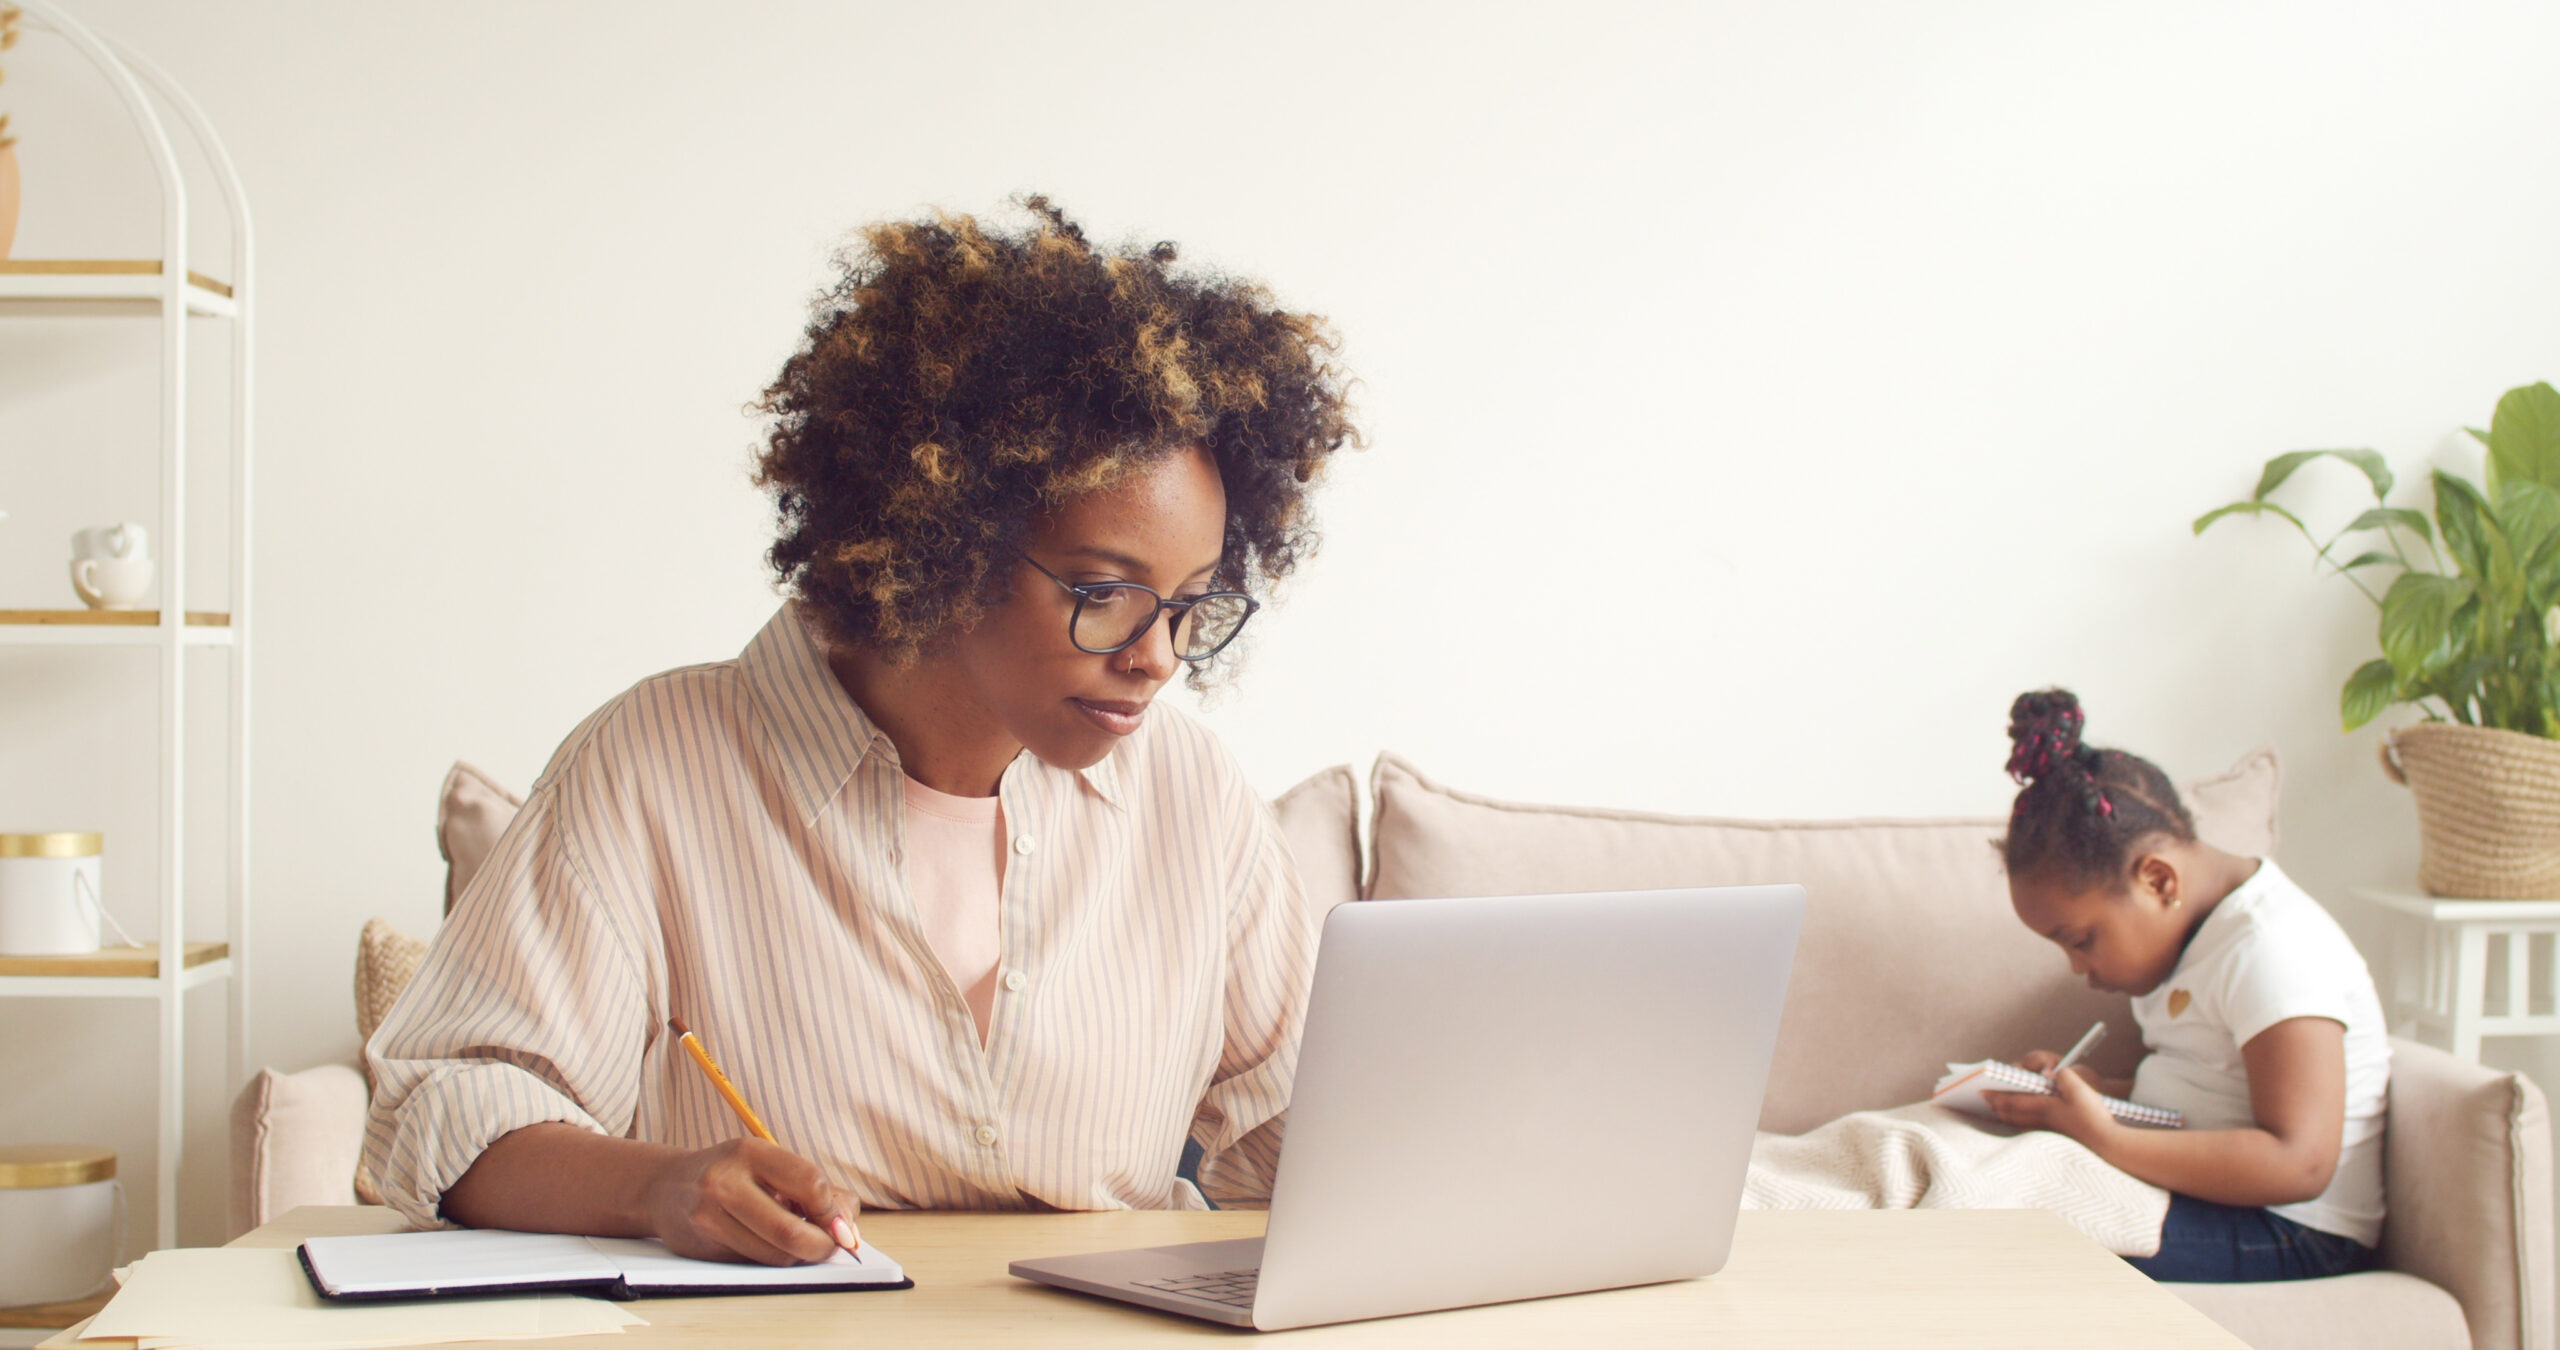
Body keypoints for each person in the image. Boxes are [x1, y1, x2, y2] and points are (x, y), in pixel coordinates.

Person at [362, 197, 1361, 1266]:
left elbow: (1299, 1134)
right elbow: (445, 1108)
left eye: (1189, 603)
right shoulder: (656, 762)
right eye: (1104, 592)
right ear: (942, 538)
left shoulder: (1188, 790)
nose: (1156, 655)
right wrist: (659, 1187)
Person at [1984, 689, 2389, 1282]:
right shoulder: (2190, 936)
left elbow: (2299, 1162)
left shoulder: (2272, 949)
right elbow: (2213, 1090)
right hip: (2224, 1201)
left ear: (2157, 881)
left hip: (2293, 1228)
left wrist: (2105, 1139)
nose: (2076, 967)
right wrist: (2099, 1095)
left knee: (2007, 1242)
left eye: (2081, 940)